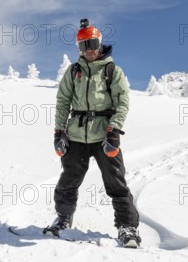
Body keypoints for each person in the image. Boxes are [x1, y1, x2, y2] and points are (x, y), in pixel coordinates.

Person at [44, 18, 141, 247]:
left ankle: (127, 227)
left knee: (116, 182)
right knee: (68, 181)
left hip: (104, 135)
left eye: (92, 44)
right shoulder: (73, 71)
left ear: (100, 43)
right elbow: (62, 102)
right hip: (76, 135)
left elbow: (122, 102)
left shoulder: (111, 70)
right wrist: (59, 132)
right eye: (83, 46)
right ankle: (64, 218)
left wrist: (114, 130)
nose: (89, 50)